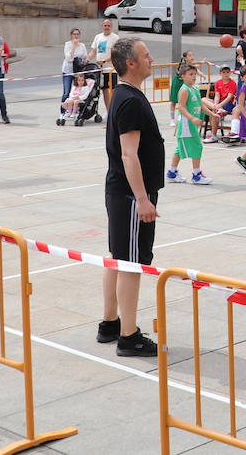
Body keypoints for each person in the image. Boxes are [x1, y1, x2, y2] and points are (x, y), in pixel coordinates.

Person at [96, 37, 162, 357]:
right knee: (132, 264)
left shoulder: (123, 95)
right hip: (131, 195)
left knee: (117, 257)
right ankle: (129, 335)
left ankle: (110, 322)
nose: (152, 58)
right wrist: (144, 200)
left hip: (119, 192)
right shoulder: (131, 101)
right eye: (146, 55)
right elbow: (128, 155)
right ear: (131, 64)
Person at [166, 64, 217, 185]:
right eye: (191, 74)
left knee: (179, 149)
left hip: (191, 124)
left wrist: (212, 114)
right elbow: (181, 107)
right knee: (197, 146)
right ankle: (196, 175)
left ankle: (172, 173)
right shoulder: (184, 90)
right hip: (186, 125)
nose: (194, 77)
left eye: (195, 74)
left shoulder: (195, 88)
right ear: (183, 76)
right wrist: (193, 118)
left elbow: (201, 105)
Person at [209, 66, 237, 141]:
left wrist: (219, 105)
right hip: (219, 104)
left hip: (228, 104)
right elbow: (217, 95)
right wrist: (215, 105)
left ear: (230, 73)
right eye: (223, 72)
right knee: (204, 100)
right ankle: (218, 109)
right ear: (220, 73)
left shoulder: (233, 83)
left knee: (213, 112)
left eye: (227, 72)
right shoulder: (218, 83)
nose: (226, 74)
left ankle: (213, 135)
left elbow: (229, 97)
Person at [61, 27, 87, 102]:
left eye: (77, 34)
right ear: (71, 35)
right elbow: (69, 58)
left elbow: (85, 57)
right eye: (74, 34)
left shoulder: (82, 45)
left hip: (78, 71)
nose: (76, 36)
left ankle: (74, 110)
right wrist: (74, 47)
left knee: (77, 92)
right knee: (67, 92)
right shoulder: (68, 44)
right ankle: (63, 109)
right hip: (68, 71)